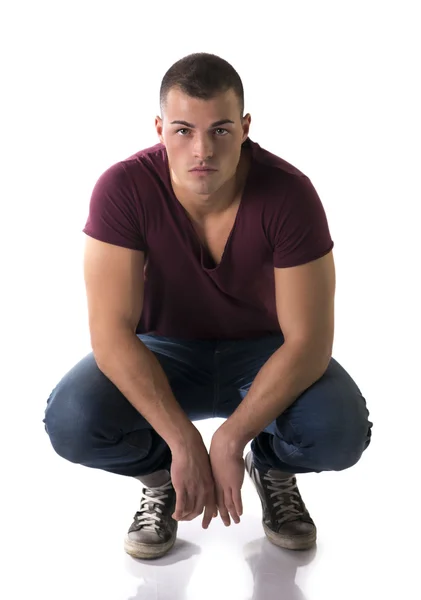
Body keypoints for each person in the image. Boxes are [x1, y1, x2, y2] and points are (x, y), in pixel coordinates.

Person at [43, 52, 373, 560]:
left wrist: (229, 440)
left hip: (266, 354)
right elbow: (110, 334)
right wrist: (182, 443)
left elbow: (309, 343)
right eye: (183, 130)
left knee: (341, 430)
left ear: (244, 127)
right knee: (72, 419)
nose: (202, 150)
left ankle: (272, 467)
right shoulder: (123, 189)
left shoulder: (290, 194)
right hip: (163, 354)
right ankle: (162, 481)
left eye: (220, 130)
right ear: (159, 128)